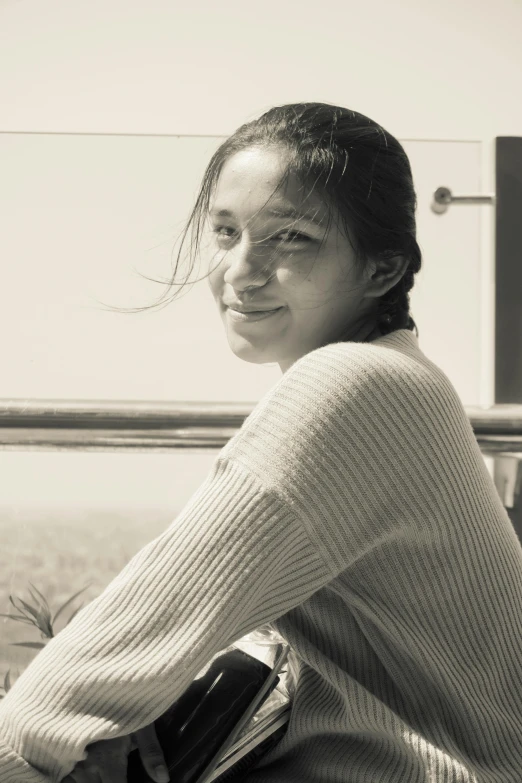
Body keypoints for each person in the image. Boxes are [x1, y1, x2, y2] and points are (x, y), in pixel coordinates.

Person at [1, 101, 521, 783]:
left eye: (292, 238)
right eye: (226, 231)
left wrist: (71, 732)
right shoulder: (402, 376)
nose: (240, 271)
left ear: (381, 269)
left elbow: (42, 716)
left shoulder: (352, 387)